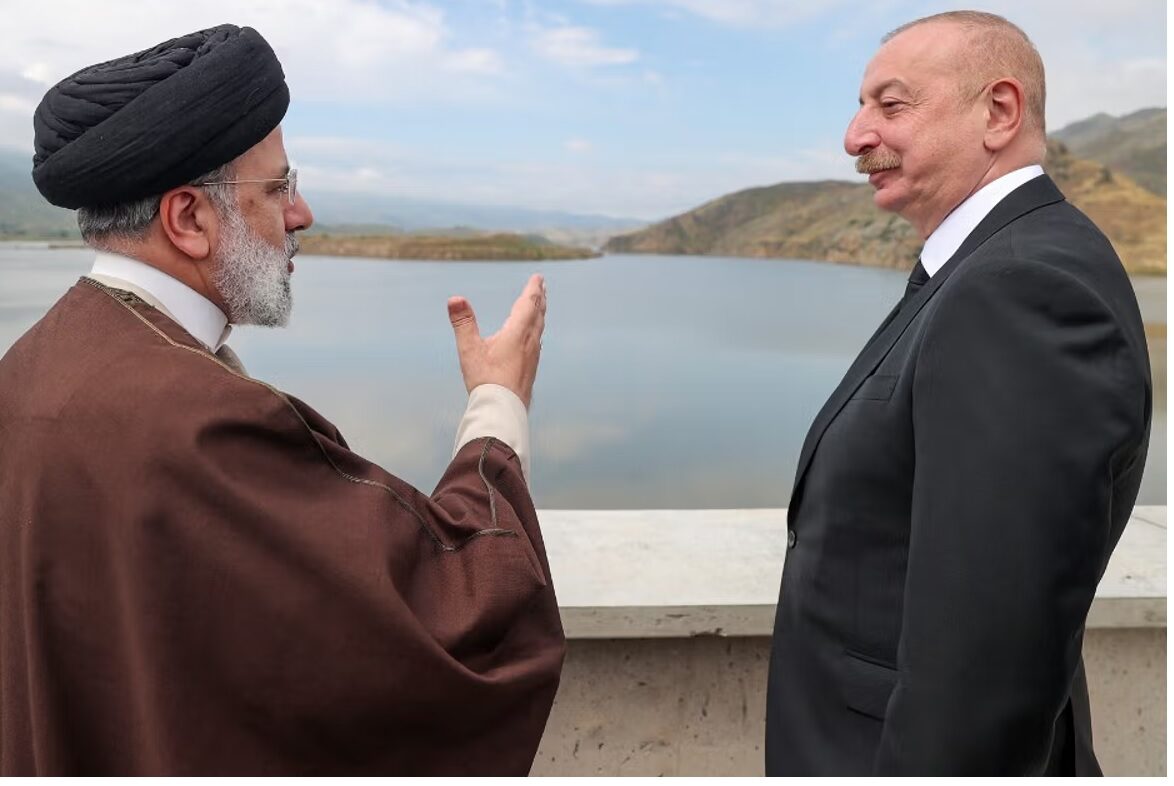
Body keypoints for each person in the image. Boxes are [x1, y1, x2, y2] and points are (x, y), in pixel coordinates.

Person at [0, 25, 564, 776]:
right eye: (277, 189)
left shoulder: (26, 371)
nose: (301, 214)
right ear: (188, 220)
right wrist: (498, 402)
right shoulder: (200, 426)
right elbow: (454, 623)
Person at [765, 11, 1151, 776]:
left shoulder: (1020, 288)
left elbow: (990, 667)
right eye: (861, 106)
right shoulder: (988, 268)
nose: (855, 136)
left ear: (999, 112)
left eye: (891, 104)